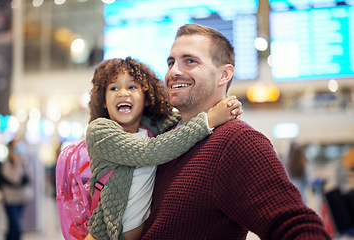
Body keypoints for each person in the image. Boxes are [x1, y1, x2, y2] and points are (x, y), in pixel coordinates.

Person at [94, 24, 332, 239]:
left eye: (190, 61)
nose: (173, 71)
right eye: (171, 62)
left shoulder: (236, 141)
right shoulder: (165, 137)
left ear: (224, 75)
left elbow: (294, 225)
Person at [85, 57, 243, 240]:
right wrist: (210, 120)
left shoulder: (153, 127)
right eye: (113, 88)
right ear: (103, 100)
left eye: (132, 87)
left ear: (146, 97)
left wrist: (224, 109)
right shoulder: (100, 131)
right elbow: (150, 151)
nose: (123, 93)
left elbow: (186, 120)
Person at [0, 139, 33, 240]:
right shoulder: (7, 164)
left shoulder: (24, 161)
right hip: (10, 200)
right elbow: (15, 179)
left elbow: (29, 177)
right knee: (15, 227)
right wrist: (17, 164)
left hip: (21, 198)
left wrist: (21, 162)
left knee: (15, 225)